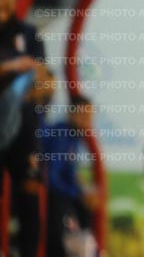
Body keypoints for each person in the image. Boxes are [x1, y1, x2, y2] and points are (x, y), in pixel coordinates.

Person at [0, 0, 48, 257]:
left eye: (8, 3)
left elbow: (43, 77)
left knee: (30, 195)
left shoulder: (28, 34)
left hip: (24, 131)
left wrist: (41, 82)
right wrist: (11, 68)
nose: (4, 10)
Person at [42, 94, 100, 257]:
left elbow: (68, 174)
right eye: (83, 115)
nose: (87, 121)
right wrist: (78, 194)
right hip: (53, 201)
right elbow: (51, 178)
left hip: (63, 198)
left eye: (89, 117)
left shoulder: (73, 138)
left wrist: (82, 190)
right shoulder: (61, 135)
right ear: (71, 113)